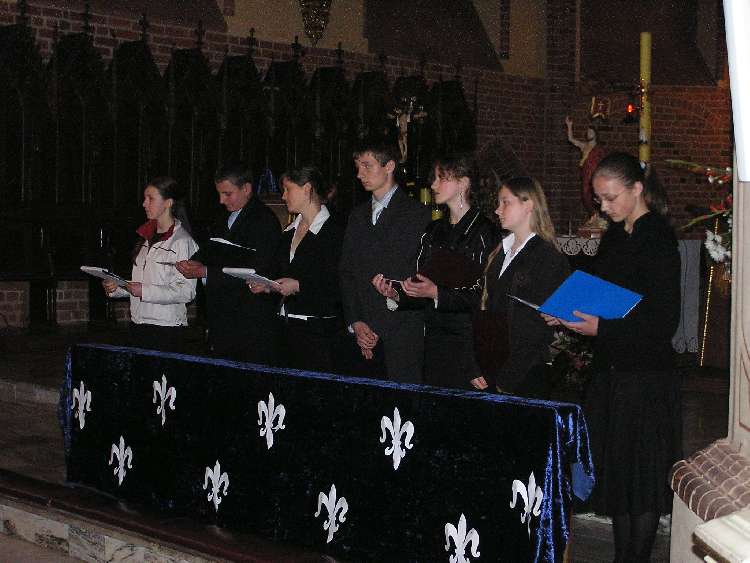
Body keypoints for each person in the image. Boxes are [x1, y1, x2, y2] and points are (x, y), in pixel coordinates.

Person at [545, 152, 681, 562]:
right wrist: (566, 311)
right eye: (599, 199)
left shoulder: (658, 238)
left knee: (642, 481)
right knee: (620, 476)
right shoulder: (617, 236)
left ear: (637, 189)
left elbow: (663, 320)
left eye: (610, 197)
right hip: (614, 374)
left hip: (646, 376)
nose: (603, 207)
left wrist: (602, 329)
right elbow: (599, 290)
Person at [371, 153, 501, 389]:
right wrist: (397, 293)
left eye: (442, 178)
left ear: (463, 183)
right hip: (434, 341)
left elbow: (484, 296)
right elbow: (424, 287)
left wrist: (436, 293)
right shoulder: (434, 230)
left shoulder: (484, 232)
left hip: (469, 344)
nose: (433, 185)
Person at [438, 176, 569, 395]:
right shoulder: (499, 252)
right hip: (490, 366)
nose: (498, 210)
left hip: (523, 374)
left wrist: (508, 378)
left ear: (528, 205)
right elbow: (481, 310)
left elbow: (538, 329)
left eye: (505, 202)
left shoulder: (548, 258)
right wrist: (474, 362)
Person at [338, 141, 432, 383]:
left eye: (367, 166)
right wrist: (357, 322)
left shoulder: (417, 214)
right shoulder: (357, 215)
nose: (359, 174)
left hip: (399, 332)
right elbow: (347, 272)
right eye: (358, 167)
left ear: (389, 166)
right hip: (362, 330)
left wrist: (377, 327)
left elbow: (411, 274)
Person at [175, 162, 282, 364]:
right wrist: (194, 261)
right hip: (223, 319)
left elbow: (259, 270)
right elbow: (211, 248)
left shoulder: (264, 221)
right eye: (219, 194)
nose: (221, 200)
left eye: (227, 194)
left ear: (246, 189)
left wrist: (206, 272)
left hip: (249, 322)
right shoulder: (222, 216)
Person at [249, 166, 345, 373]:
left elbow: (340, 284)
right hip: (285, 327)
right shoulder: (288, 232)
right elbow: (279, 274)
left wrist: (300, 286)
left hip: (319, 332)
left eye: (288, 189)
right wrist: (268, 286)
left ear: (307, 189)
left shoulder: (336, 232)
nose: (283, 196)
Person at [103, 177, 198, 353]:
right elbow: (142, 284)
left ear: (168, 202)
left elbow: (187, 291)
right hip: (138, 324)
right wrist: (118, 288)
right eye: (144, 198)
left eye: (151, 198)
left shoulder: (182, 242)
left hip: (166, 329)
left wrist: (144, 291)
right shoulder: (145, 238)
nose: (144, 204)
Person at [565, 115, 607, 226]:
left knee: (594, 196)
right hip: (585, 175)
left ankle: (597, 216)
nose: (589, 134)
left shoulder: (598, 149)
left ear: (595, 134)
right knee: (585, 195)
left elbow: (602, 163)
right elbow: (571, 139)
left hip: (594, 176)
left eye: (591, 132)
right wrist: (569, 126)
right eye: (588, 132)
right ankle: (593, 215)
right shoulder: (584, 146)